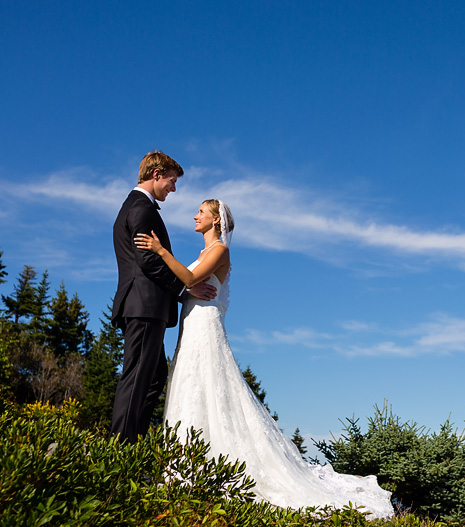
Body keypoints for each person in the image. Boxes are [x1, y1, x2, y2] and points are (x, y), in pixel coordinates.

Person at [134, 200, 394, 519]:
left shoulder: (220, 251)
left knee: (211, 390)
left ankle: (212, 471)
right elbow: (186, 283)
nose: (195, 216)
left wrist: (160, 251)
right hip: (191, 328)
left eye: (201, 212)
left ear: (215, 221)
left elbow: (189, 279)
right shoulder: (203, 253)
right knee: (191, 391)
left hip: (205, 328)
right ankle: (186, 471)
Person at [111, 150, 215, 444]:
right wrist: (185, 290)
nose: (174, 188)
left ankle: (132, 444)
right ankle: (119, 450)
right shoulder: (142, 209)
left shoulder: (134, 206)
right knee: (136, 379)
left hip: (143, 305)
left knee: (154, 378)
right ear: (156, 175)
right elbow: (148, 261)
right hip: (145, 306)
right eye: (171, 181)